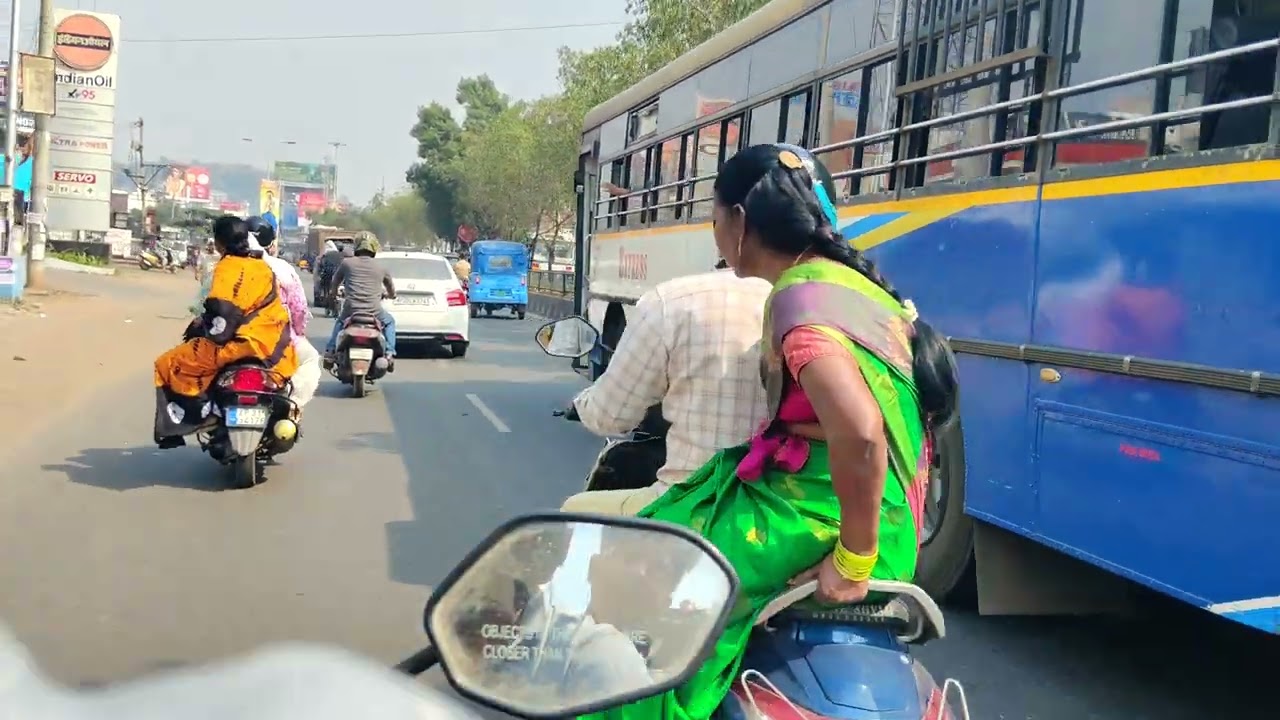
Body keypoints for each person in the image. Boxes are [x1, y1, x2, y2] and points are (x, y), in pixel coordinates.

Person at [571, 144, 960, 720]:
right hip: (855, 511)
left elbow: (860, 432)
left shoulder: (800, 305)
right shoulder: (849, 289)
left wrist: (854, 562)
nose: (715, 233)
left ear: (741, 223)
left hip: (819, 521)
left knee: (629, 571)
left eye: (715, 217)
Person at [558, 268, 772, 514]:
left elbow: (610, 415)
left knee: (574, 510)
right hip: (790, 504)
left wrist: (582, 404)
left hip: (694, 500)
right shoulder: (811, 297)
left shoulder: (674, 301)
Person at [153, 215, 299, 448]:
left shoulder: (226, 267)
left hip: (235, 345)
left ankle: (196, 417)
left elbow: (222, 317)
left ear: (219, 243)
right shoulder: (263, 267)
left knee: (166, 364)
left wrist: (203, 326)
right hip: (270, 344)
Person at [248, 217, 322, 416]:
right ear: (271, 244)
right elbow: (298, 308)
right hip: (277, 339)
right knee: (310, 359)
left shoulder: (225, 266)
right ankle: (292, 405)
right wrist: (298, 332)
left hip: (231, 338)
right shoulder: (283, 269)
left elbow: (202, 305)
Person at [323, 232, 397, 369]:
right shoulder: (381, 267)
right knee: (390, 322)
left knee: (340, 322)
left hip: (351, 309)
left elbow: (335, 282)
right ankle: (390, 353)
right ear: (373, 248)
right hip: (375, 311)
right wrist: (391, 295)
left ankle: (330, 351)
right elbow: (391, 289)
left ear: (356, 247)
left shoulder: (347, 263)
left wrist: (332, 295)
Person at [316, 240, 343, 306]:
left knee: (324, 285)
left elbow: (321, 264)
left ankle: (326, 297)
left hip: (328, 274)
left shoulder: (326, 254)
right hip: (338, 274)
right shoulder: (340, 255)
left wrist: (320, 272)